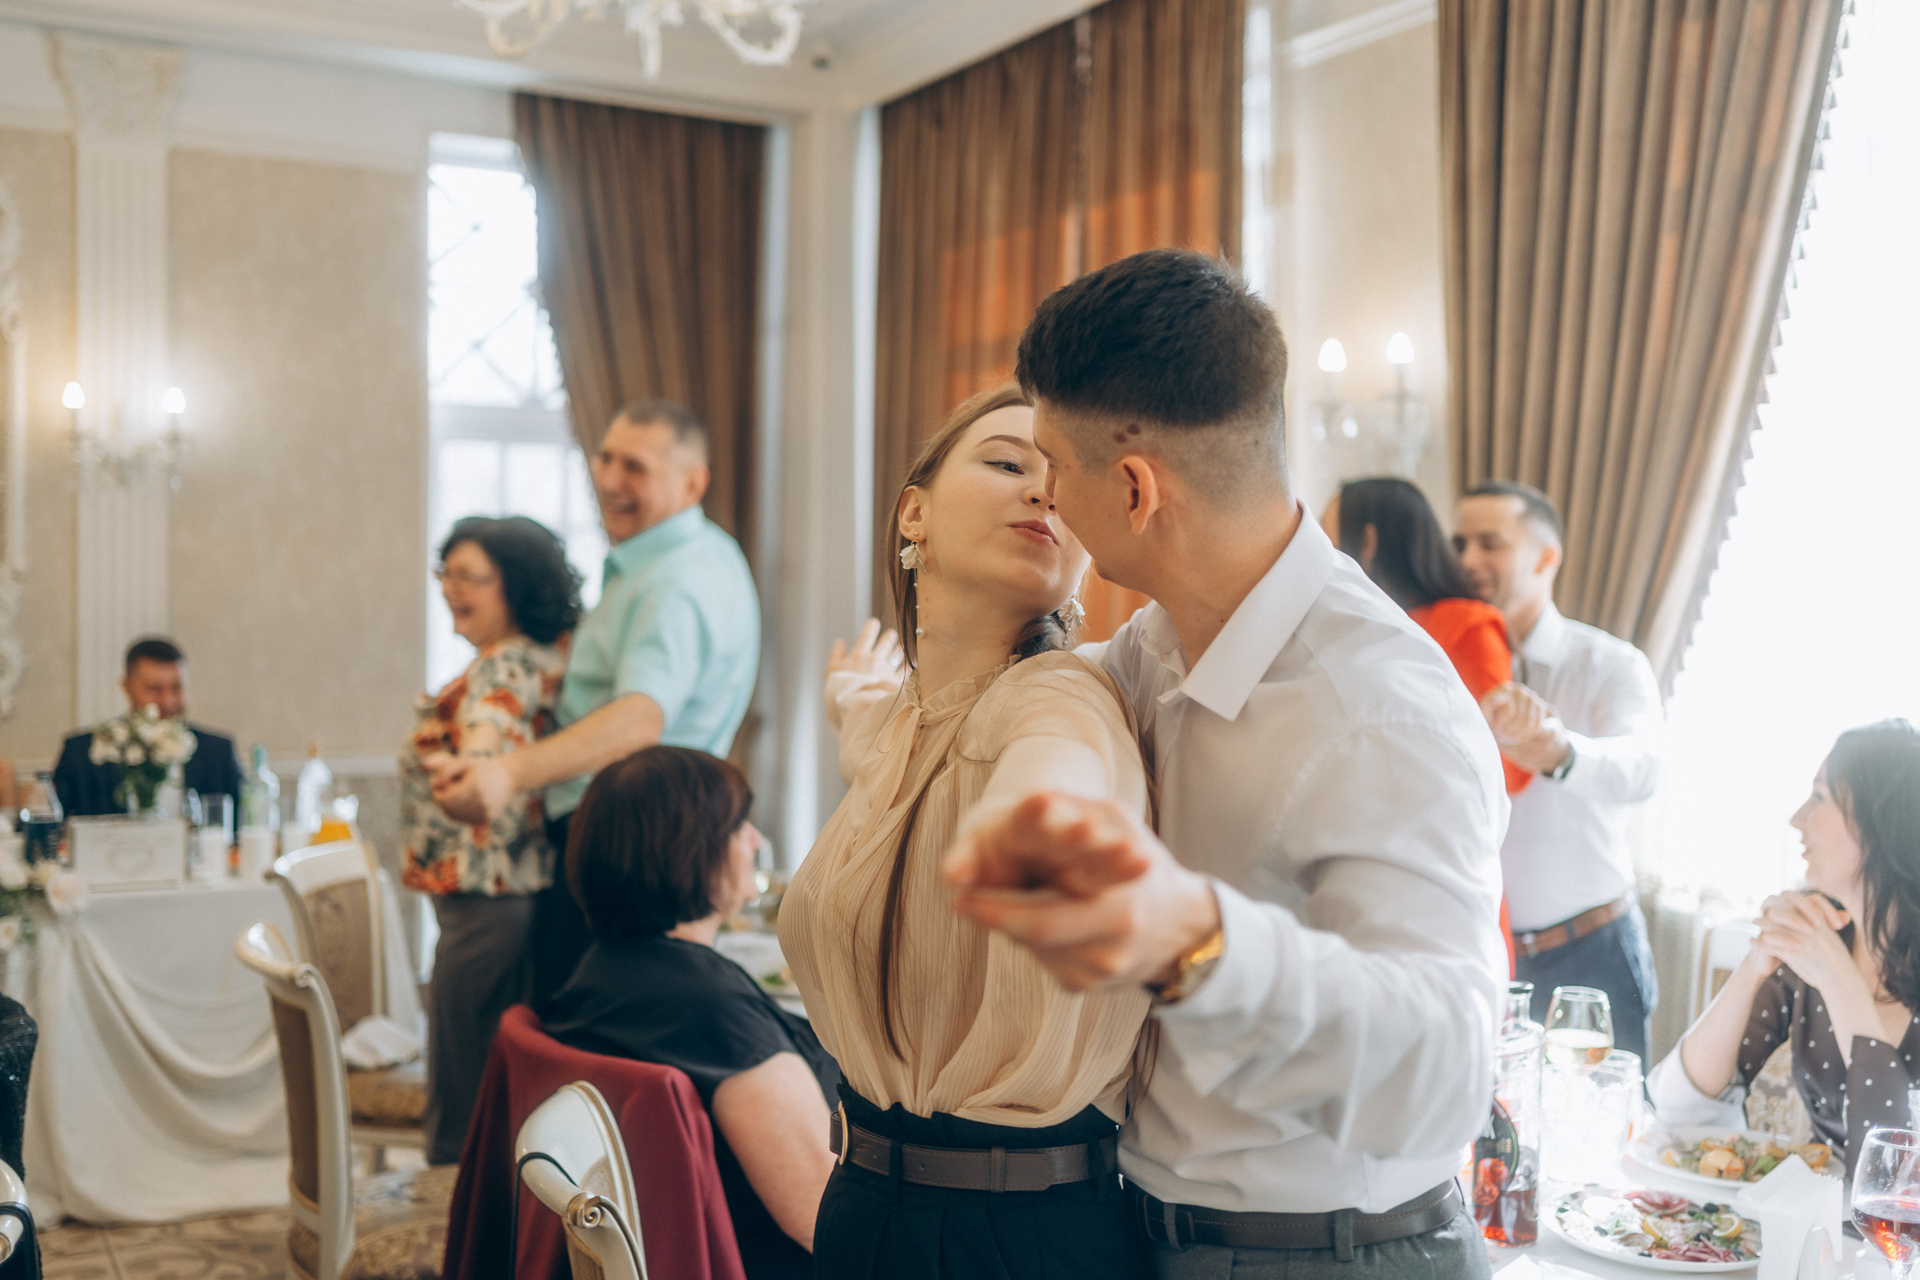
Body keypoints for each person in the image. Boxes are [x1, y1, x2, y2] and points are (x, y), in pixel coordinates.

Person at [941, 250, 1508, 1280]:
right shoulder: (1156, 643)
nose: (1046, 497)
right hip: (1157, 1232)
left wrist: (1195, 941)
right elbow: (1046, 704)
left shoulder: (1380, 708)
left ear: (1134, 488)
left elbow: (1449, 1074)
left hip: (1338, 1255)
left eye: (1052, 466)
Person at [777, 385, 1154, 1279]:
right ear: (914, 512)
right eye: (1008, 461)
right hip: (863, 1208)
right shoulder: (904, 720)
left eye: (1062, 479)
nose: (1041, 490)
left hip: (1018, 1237)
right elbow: (870, 728)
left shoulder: (1059, 696)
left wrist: (1033, 827)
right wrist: (847, 695)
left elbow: (1055, 771)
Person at [428, 400, 760, 1005]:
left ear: (693, 483)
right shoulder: (694, 557)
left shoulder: (675, 580)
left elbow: (639, 720)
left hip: (618, 842)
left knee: (580, 1031)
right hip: (638, 835)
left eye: (635, 467)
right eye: (605, 458)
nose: (609, 479)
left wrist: (506, 773)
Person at [544, 746, 836, 1278]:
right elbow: (824, 1216)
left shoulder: (604, 971)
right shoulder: (709, 1013)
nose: (756, 840)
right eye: (739, 826)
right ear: (689, 851)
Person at [1648, 720, 1920, 1183]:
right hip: (1813, 1220)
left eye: (1820, 797)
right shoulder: (1815, 944)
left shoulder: (1825, 959)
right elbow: (1678, 1106)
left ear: (1882, 821)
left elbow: (1897, 1179)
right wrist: (1758, 961)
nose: (1797, 818)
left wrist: (1839, 981)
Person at [1454, 480, 1663, 1062]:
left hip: (1591, 955)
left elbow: (1643, 767)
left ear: (1546, 558)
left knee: (1607, 1113)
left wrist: (1562, 754)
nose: (1467, 560)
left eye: (1490, 543)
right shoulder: (1440, 662)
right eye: (1459, 544)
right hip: (1483, 954)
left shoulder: (1609, 663)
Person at [400, 516, 577, 1166]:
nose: (451, 589)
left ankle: (449, 1207)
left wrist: (474, 763)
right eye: (445, 574)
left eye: (470, 577)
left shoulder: (508, 663)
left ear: (516, 586)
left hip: (486, 903)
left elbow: (491, 719)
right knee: (479, 1067)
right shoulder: (536, 654)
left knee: (462, 1077)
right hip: (497, 896)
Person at [1324, 475, 1532, 972]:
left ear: (1367, 541)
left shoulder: (1465, 627)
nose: (1319, 552)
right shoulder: (1357, 627)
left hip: (1440, 864)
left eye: (1328, 536)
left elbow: (1509, 764)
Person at [52, 637, 243, 818]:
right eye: (155, 689)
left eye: (177, 687)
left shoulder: (218, 752)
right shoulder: (80, 753)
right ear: (126, 687)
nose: (168, 701)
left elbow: (241, 826)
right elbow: (55, 826)